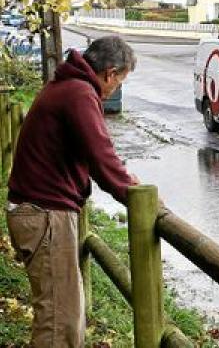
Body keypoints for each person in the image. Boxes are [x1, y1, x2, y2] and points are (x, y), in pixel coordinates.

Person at [6, 36, 139, 347]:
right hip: (45, 215)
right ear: (110, 73)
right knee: (59, 323)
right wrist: (134, 193)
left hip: (38, 212)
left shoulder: (68, 86)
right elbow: (101, 153)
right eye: (120, 82)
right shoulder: (79, 93)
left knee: (63, 315)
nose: (116, 90)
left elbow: (89, 152)